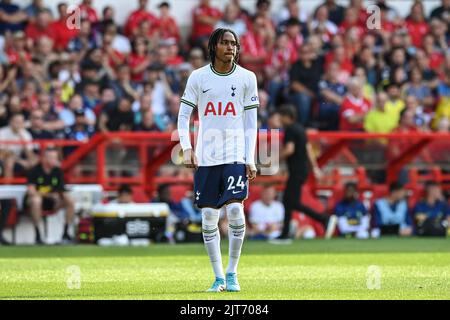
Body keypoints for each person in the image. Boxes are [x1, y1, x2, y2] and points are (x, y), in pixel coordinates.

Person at [177, 28, 258, 293]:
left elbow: (251, 123)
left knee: (235, 210)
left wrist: (251, 157)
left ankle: (233, 272)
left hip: (235, 154)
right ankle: (218, 277)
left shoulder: (247, 77)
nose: (230, 47)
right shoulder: (198, 77)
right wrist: (187, 147)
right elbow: (183, 115)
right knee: (209, 217)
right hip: (206, 156)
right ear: (214, 47)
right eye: (224, 43)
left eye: (233, 44)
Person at [274, 105, 337, 242]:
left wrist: (274, 159)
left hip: (296, 170)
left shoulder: (290, 130)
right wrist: (314, 167)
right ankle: (285, 234)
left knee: (292, 202)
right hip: (302, 170)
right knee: (289, 202)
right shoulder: (300, 129)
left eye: (281, 116)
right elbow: (308, 149)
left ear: (287, 116)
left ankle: (323, 218)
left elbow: (289, 149)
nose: (280, 119)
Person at [25, 147, 75, 244]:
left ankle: (66, 233)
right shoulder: (34, 171)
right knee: (36, 200)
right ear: (44, 158)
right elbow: (31, 191)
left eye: (55, 158)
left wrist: (59, 196)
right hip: (35, 203)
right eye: (51, 158)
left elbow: (61, 190)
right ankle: (38, 235)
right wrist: (48, 195)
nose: (54, 160)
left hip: (53, 203)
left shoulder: (58, 171)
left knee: (70, 200)